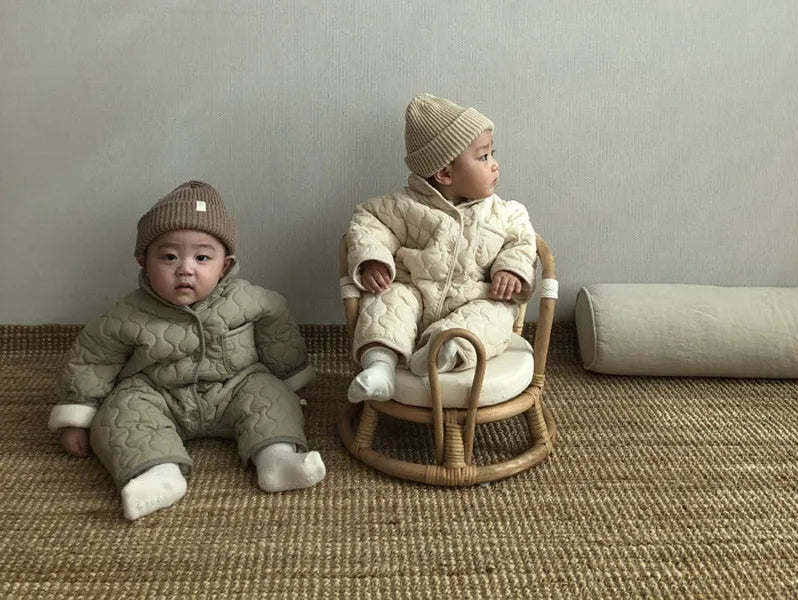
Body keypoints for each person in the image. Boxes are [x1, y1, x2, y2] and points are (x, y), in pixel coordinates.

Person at [48, 180, 325, 521]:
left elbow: (278, 332)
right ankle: (157, 474)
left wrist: (291, 378)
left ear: (225, 265)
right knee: (121, 412)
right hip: (158, 392)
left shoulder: (252, 300)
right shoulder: (126, 314)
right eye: (169, 257)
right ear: (143, 262)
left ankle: (276, 459)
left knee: (270, 395)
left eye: (202, 257)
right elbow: (93, 359)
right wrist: (77, 417)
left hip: (236, 385)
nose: (185, 268)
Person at [345, 93, 538, 404]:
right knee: (388, 300)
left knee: (496, 313)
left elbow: (523, 241)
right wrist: (373, 260)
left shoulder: (505, 213)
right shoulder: (404, 205)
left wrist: (510, 270)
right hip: (415, 295)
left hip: (473, 298)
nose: (495, 165)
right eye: (483, 157)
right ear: (445, 174)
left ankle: (446, 352)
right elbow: (367, 222)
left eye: (493, 153)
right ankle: (380, 367)